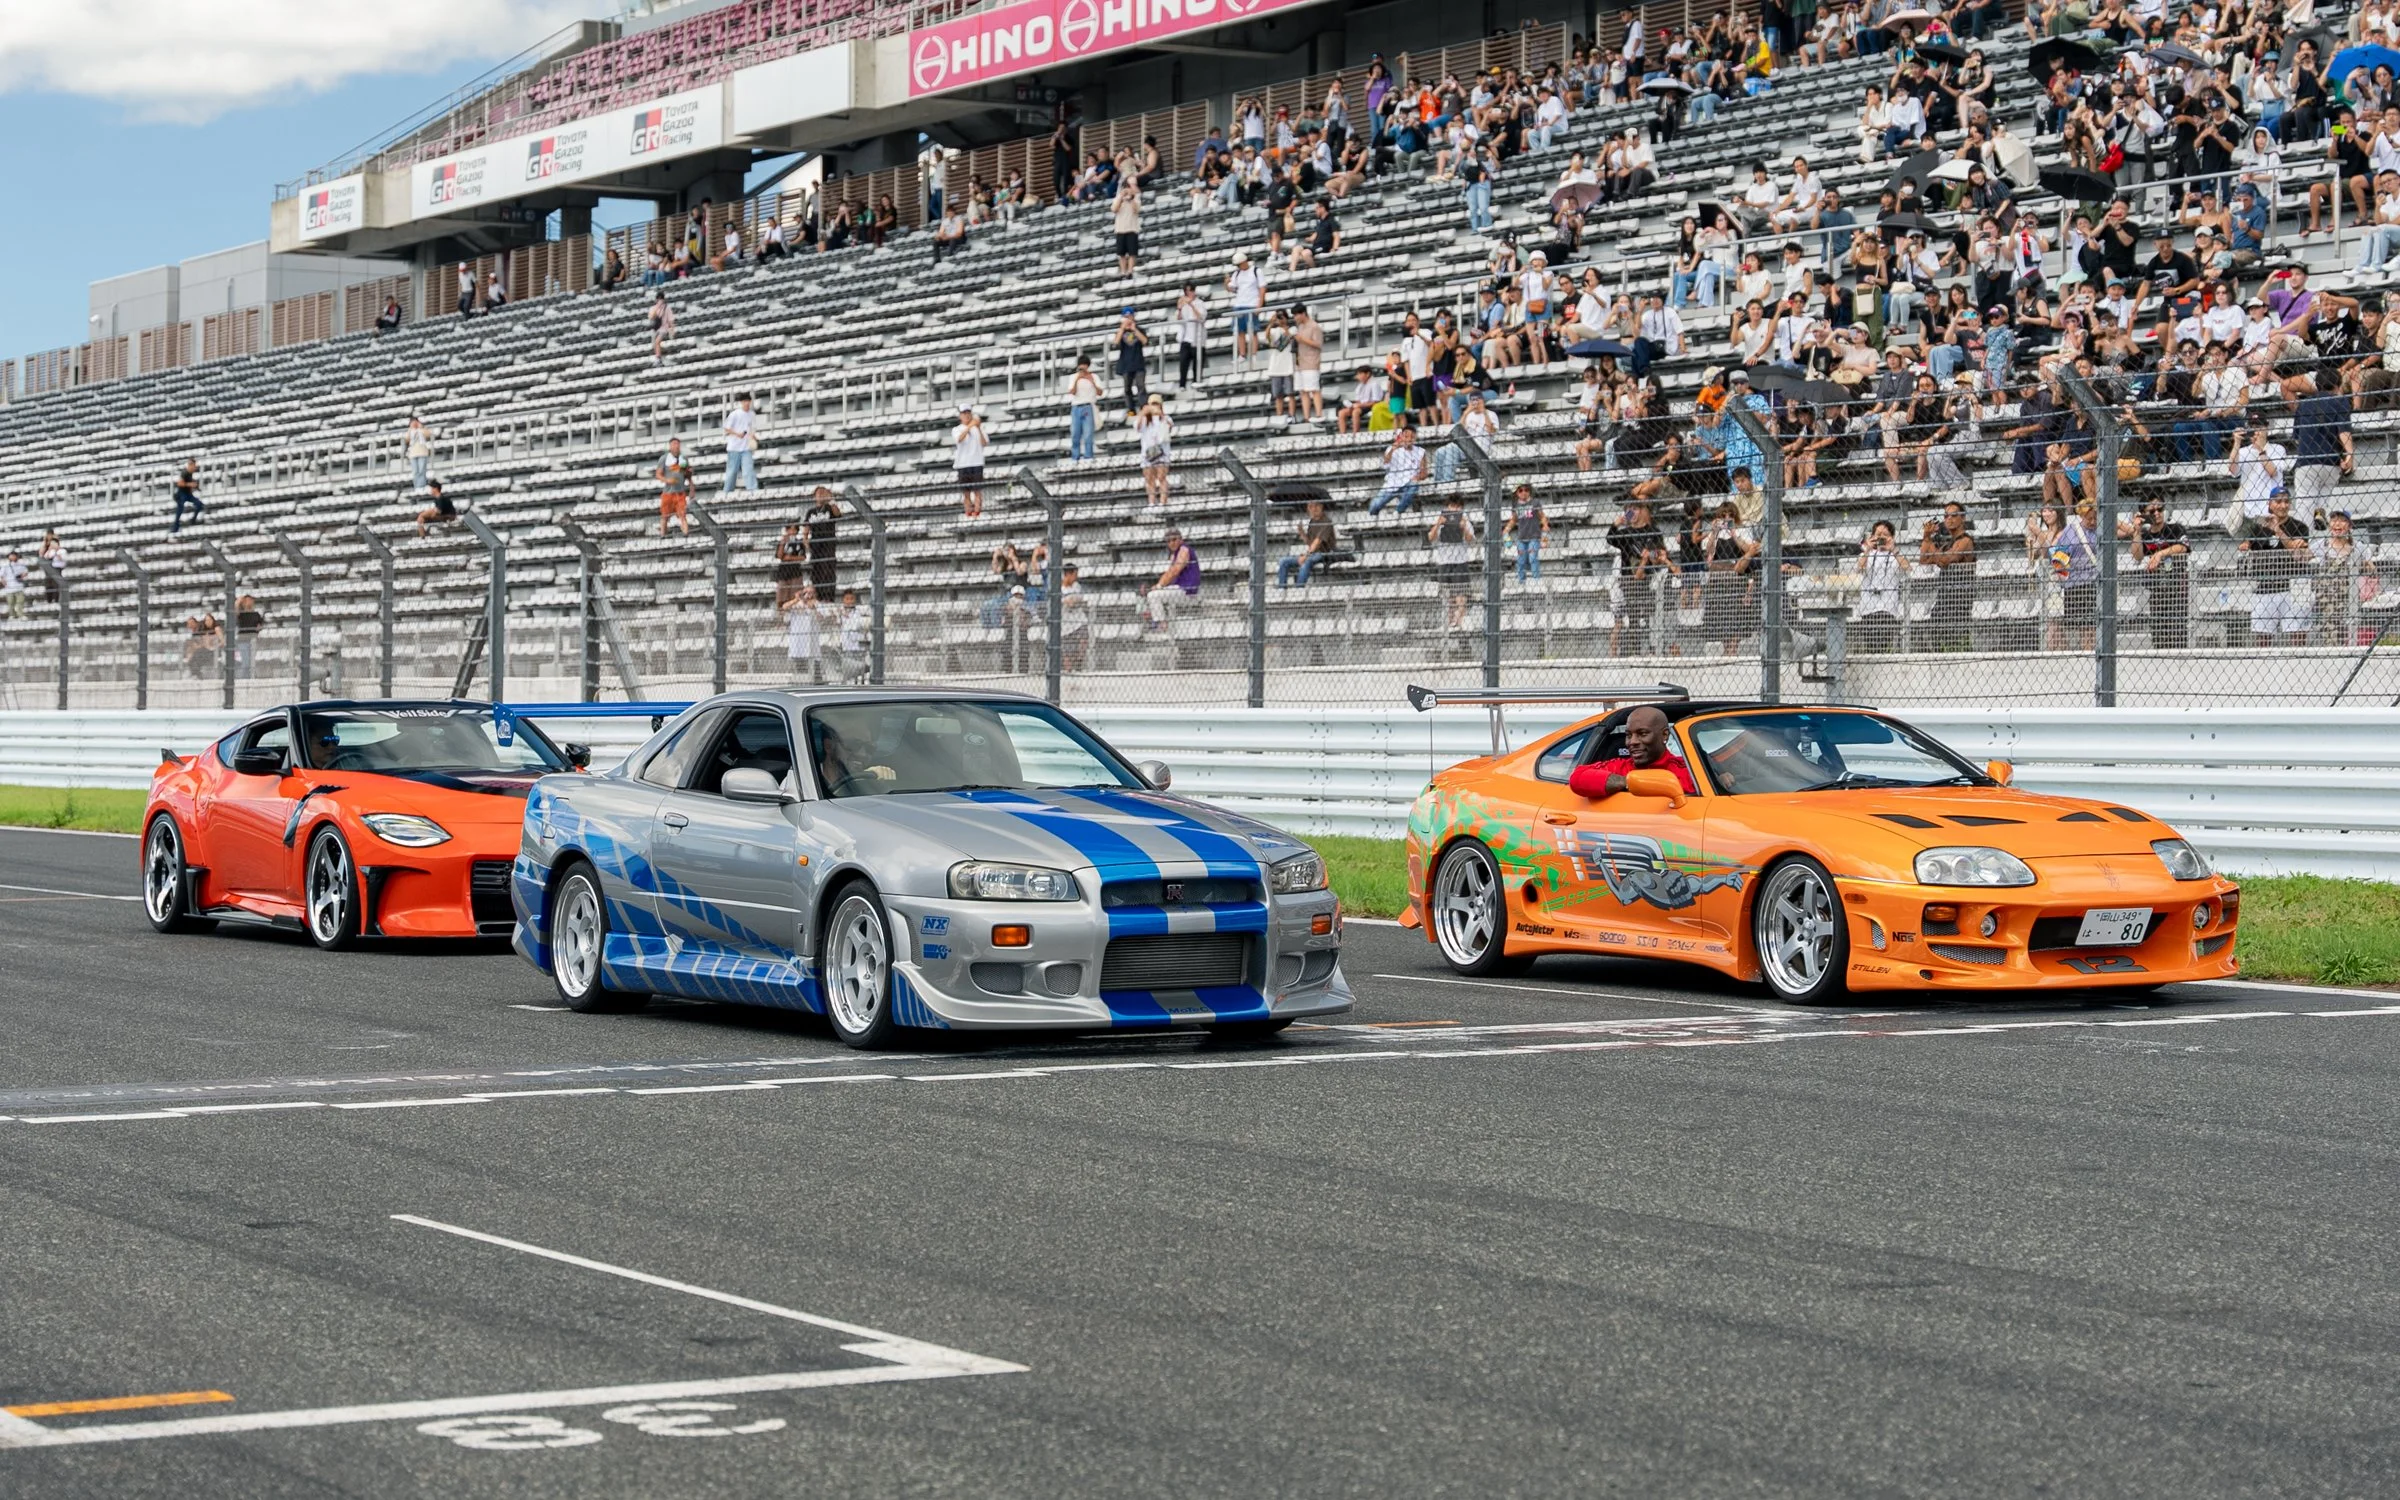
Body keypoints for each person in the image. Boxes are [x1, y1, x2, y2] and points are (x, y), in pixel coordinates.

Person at [1565, 705, 1697, 798]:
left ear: (1664, 735)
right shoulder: (1619, 767)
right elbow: (1577, 777)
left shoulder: (1688, 770)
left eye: (1642, 734)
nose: (1632, 741)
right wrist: (1628, 782)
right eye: (1628, 735)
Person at [2242, 492, 2315, 646]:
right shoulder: (2258, 528)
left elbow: (2297, 554)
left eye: (2286, 501)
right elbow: (2247, 549)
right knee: (2262, 638)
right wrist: (2246, 545)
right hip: (2265, 587)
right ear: (2270, 504)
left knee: (2298, 636)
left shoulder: (2299, 527)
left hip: (2295, 585)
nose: (2283, 505)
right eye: (2278, 501)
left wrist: (2278, 530)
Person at [2122, 498, 2190, 650]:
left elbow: (2184, 547)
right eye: (2152, 511)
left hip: (2177, 589)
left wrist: (2160, 554)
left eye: (2160, 509)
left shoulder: (2176, 528)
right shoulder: (2144, 536)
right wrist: (2137, 532)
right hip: (2156, 591)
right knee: (2159, 635)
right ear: (2144, 515)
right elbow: (2137, 556)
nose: (2157, 513)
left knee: (2178, 634)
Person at [1919, 499, 1977, 649]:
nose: (1948, 519)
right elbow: (1924, 560)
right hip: (1944, 597)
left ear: (1962, 518)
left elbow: (1945, 560)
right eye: (1946, 516)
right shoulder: (1947, 544)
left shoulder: (1965, 541)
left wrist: (1931, 547)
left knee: (1956, 642)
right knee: (1938, 639)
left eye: (1953, 515)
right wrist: (1926, 537)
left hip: (1960, 599)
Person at [1429, 498, 1478, 630]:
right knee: (1447, 593)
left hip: (1460, 561)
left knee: (1460, 594)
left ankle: (1459, 620)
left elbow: (1471, 540)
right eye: (1452, 506)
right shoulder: (1442, 519)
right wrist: (1439, 524)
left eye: (1458, 506)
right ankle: (1448, 620)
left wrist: (1463, 528)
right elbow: (1431, 537)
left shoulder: (1464, 520)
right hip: (1444, 562)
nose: (1454, 509)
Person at [1144, 527, 1201, 630]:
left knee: (1153, 596)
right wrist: (1159, 586)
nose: (1171, 543)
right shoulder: (1174, 554)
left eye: (1174, 539)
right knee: (1152, 595)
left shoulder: (1184, 549)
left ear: (1180, 539)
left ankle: (1161, 625)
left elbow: (1174, 571)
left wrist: (1159, 585)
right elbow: (1169, 574)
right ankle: (1158, 621)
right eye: (1169, 541)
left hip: (1186, 590)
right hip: (1179, 589)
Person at [1277, 500, 1339, 587]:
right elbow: (1310, 543)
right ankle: (1281, 589)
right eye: (1310, 507)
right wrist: (1302, 532)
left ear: (1321, 507)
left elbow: (1317, 542)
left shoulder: (1326, 522)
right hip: (1313, 553)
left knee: (1307, 561)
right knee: (1283, 561)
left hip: (1325, 553)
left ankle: (1299, 588)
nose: (1314, 509)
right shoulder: (1312, 522)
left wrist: (1306, 556)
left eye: (1316, 506)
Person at [1370, 425, 1426, 514]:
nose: (1409, 439)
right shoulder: (1391, 449)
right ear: (1401, 436)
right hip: (1392, 484)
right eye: (1406, 436)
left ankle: (1398, 511)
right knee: (1374, 507)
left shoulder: (1420, 451)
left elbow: (1424, 473)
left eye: (1412, 437)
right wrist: (1393, 449)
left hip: (1408, 483)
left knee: (1414, 486)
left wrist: (1417, 477)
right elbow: (1385, 463)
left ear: (1415, 438)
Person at [782, 583, 829, 683]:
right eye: (806, 592)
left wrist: (813, 608)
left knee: (816, 673)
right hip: (798, 645)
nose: (808, 595)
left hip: (813, 646)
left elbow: (823, 618)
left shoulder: (818, 605)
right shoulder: (796, 605)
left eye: (811, 593)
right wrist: (796, 599)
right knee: (800, 673)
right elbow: (784, 607)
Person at [1505, 483, 1550, 582]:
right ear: (1517, 493)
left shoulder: (1535, 502)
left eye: (1526, 490)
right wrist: (1507, 528)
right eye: (1520, 490)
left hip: (1534, 536)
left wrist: (1545, 525)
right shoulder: (1516, 505)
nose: (1524, 492)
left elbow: (1541, 516)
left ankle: (1536, 581)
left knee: (1533, 558)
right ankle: (1521, 582)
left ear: (1529, 491)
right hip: (1522, 538)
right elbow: (1513, 519)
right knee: (1521, 561)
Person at [1113, 307, 1150, 416]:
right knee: (1127, 388)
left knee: (1141, 386)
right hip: (1125, 363)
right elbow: (1115, 343)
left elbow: (1145, 341)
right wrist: (1122, 328)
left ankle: (1144, 407)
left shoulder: (1139, 329)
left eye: (1130, 316)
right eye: (1126, 317)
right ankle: (1131, 409)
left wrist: (1135, 330)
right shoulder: (1120, 331)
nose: (1128, 319)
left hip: (1138, 362)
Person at [1138, 396, 1174, 508]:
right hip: (1147, 452)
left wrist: (1161, 415)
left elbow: (1169, 427)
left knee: (1161, 477)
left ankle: (1163, 502)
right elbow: (1137, 427)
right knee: (1149, 479)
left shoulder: (1166, 418)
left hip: (1162, 452)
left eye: (1156, 404)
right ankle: (1152, 502)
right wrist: (1142, 413)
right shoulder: (1145, 420)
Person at [1065, 356, 1103, 462]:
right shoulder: (1073, 377)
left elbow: (1100, 393)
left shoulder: (1094, 377)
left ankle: (1088, 456)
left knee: (1088, 434)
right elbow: (1072, 392)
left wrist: (1092, 382)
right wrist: (1078, 379)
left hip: (1088, 406)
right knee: (1075, 434)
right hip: (1076, 406)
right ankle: (1075, 456)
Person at [952, 408, 988, 518]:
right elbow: (959, 439)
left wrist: (978, 428)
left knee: (977, 491)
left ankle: (977, 512)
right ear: (960, 416)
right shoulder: (957, 429)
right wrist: (969, 427)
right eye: (964, 414)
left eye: (968, 413)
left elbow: (984, 442)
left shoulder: (978, 429)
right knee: (966, 492)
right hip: (963, 464)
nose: (967, 416)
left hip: (976, 462)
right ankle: (968, 512)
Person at [721, 394, 759, 493]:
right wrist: (737, 434)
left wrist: (752, 436)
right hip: (734, 447)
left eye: (748, 401)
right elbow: (726, 428)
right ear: (741, 402)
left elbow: (752, 428)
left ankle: (752, 490)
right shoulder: (735, 414)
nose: (746, 403)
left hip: (746, 447)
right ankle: (727, 491)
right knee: (732, 471)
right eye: (744, 401)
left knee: (748, 469)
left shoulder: (752, 414)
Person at [655, 439, 693, 537]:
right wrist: (667, 480)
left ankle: (685, 533)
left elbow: (687, 474)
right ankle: (663, 535)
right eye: (674, 444)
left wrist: (692, 487)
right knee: (665, 515)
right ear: (670, 446)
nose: (676, 446)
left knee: (682, 514)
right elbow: (658, 474)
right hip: (668, 492)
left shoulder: (683, 459)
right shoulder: (664, 459)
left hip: (680, 492)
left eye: (678, 444)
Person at [1174, 285, 1207, 387]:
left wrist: (1192, 305)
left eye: (1191, 290)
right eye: (1186, 291)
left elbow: (1201, 318)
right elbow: (1178, 320)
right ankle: (1182, 385)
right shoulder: (1182, 304)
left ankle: (1196, 382)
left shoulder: (1200, 303)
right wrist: (1179, 309)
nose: (1189, 293)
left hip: (1198, 338)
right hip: (1185, 338)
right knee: (1183, 363)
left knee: (1197, 363)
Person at [773, 523, 809, 609]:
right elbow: (779, 555)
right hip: (783, 572)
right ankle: (781, 615)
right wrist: (783, 542)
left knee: (795, 596)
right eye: (790, 529)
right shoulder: (782, 542)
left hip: (795, 572)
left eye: (794, 530)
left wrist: (790, 558)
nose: (792, 532)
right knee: (781, 596)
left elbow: (803, 557)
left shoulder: (799, 542)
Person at [233, 594, 265, 680]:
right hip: (243, 640)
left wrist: (259, 628)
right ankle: (244, 679)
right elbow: (235, 613)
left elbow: (260, 625)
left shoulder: (256, 614)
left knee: (251, 662)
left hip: (253, 640)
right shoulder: (241, 614)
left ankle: (250, 677)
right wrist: (238, 602)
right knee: (246, 662)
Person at [169, 460, 202, 535]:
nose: (195, 467)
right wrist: (190, 484)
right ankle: (175, 527)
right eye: (193, 465)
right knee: (180, 509)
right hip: (181, 494)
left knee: (199, 504)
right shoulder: (185, 472)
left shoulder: (190, 474)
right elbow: (180, 483)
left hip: (188, 494)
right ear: (190, 465)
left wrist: (196, 487)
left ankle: (193, 520)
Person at [405, 418, 433, 493]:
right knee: (415, 471)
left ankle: (421, 486)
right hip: (413, 453)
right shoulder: (410, 431)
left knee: (421, 470)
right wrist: (411, 429)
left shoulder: (422, 430)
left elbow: (428, 434)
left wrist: (421, 427)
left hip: (422, 452)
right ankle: (417, 486)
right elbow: (407, 439)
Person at [647, 293, 674, 364]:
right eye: (658, 299)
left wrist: (672, 329)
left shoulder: (667, 308)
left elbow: (670, 319)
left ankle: (658, 358)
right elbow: (651, 317)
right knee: (654, 344)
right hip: (655, 328)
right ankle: (660, 354)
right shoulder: (653, 308)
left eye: (661, 299)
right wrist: (657, 308)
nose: (660, 301)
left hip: (664, 328)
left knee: (657, 341)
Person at [0, 548, 24, 619]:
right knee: (10, 603)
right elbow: (1, 575)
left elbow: (25, 572)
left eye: (14, 555)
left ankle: (20, 615)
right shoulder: (5, 565)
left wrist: (21, 576)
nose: (12, 557)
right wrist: (4, 582)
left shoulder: (20, 564)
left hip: (19, 586)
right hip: (9, 587)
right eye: (11, 555)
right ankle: (12, 615)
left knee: (20, 602)